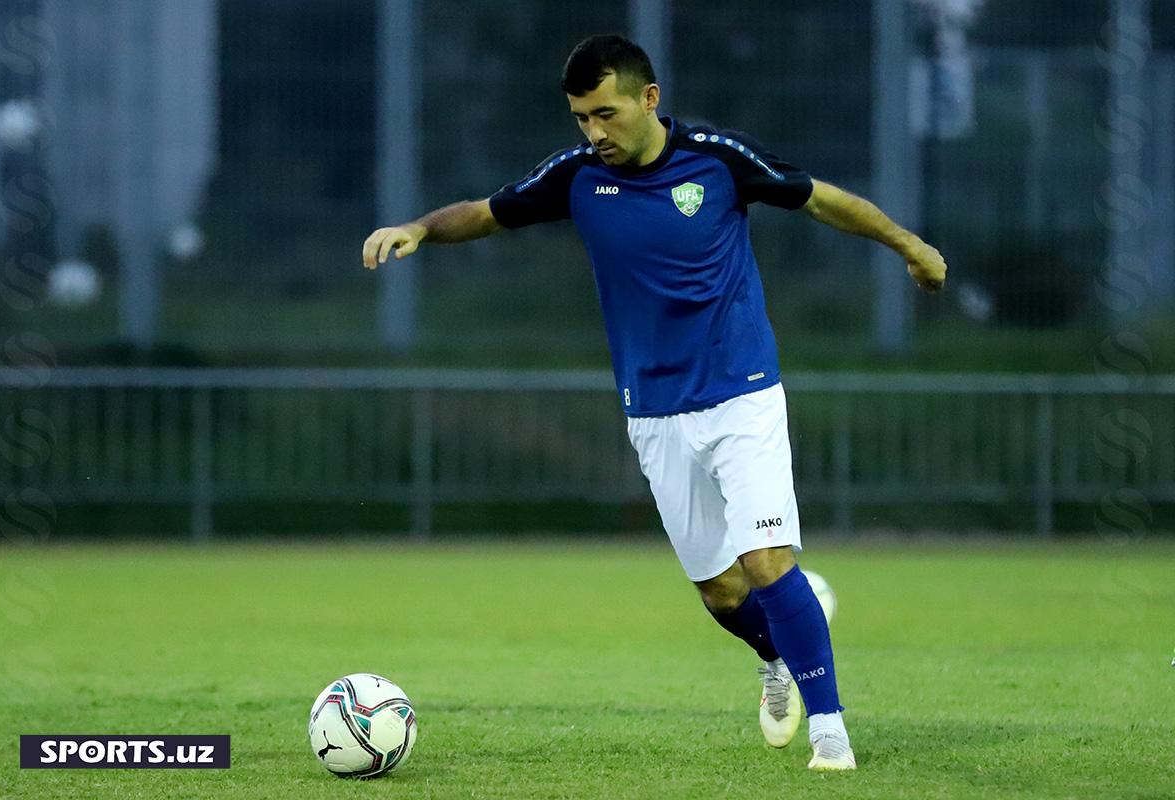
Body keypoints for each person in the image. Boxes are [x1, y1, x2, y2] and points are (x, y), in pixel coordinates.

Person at [362, 34, 947, 772]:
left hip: (742, 394)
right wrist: (417, 228)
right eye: (580, 117)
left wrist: (907, 245)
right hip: (654, 411)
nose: (593, 132)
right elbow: (486, 212)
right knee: (719, 589)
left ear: (649, 99)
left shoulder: (719, 159)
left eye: (605, 113)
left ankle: (831, 733)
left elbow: (823, 200)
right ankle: (780, 654)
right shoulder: (574, 176)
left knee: (766, 560)